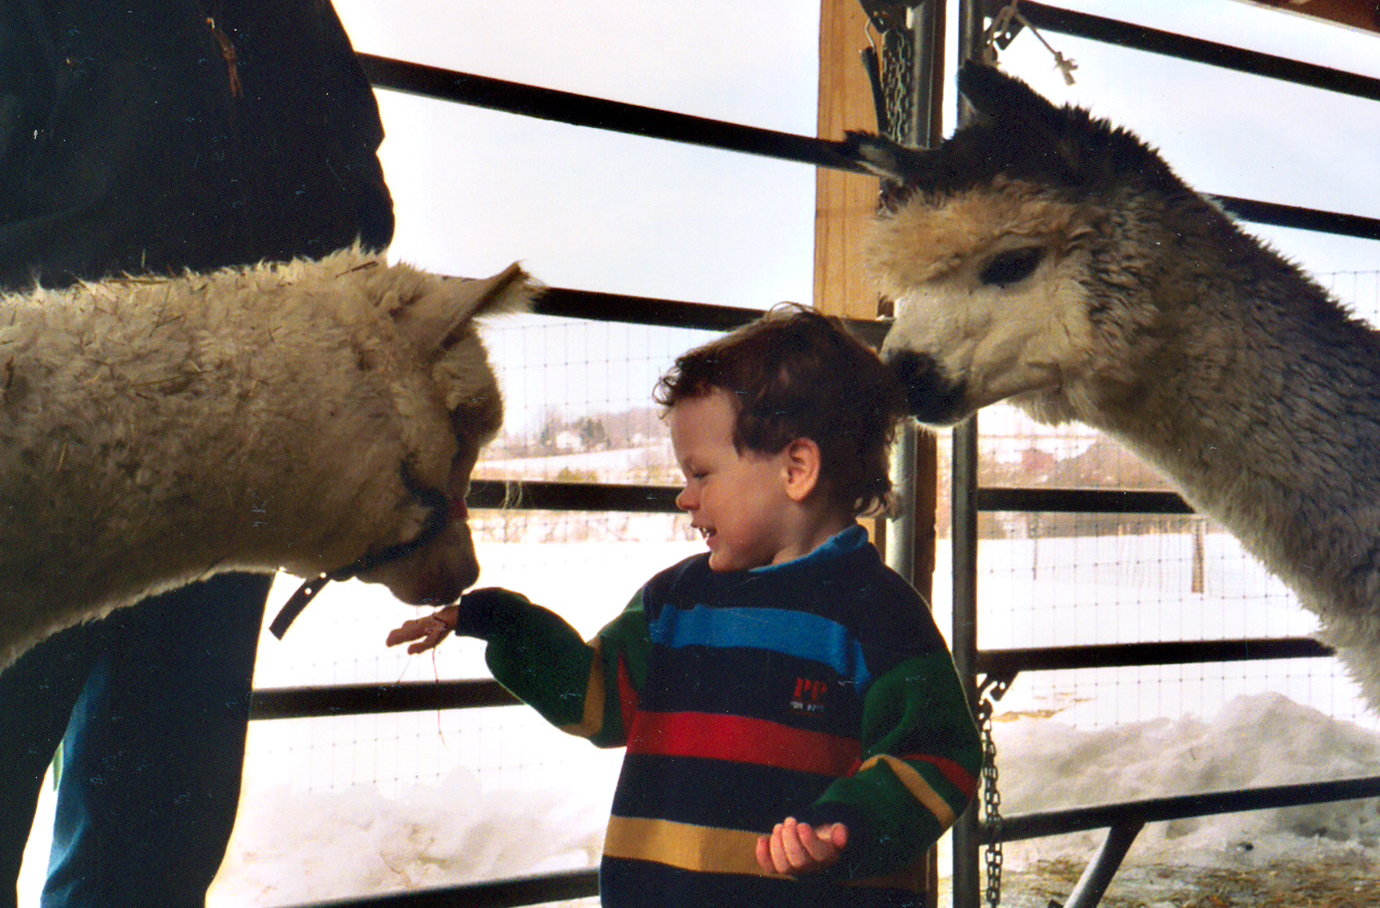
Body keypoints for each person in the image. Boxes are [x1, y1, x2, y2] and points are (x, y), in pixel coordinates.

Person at [388, 306, 983, 907]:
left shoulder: (879, 616)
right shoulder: (674, 603)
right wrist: (502, 622)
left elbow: (936, 754)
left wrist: (845, 825)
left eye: (700, 474)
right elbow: (597, 698)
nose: (684, 496)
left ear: (796, 469)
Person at [0, 3, 393, 905]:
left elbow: (361, 218)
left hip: (228, 475)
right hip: (39, 465)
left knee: (161, 834)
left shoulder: (294, 14)